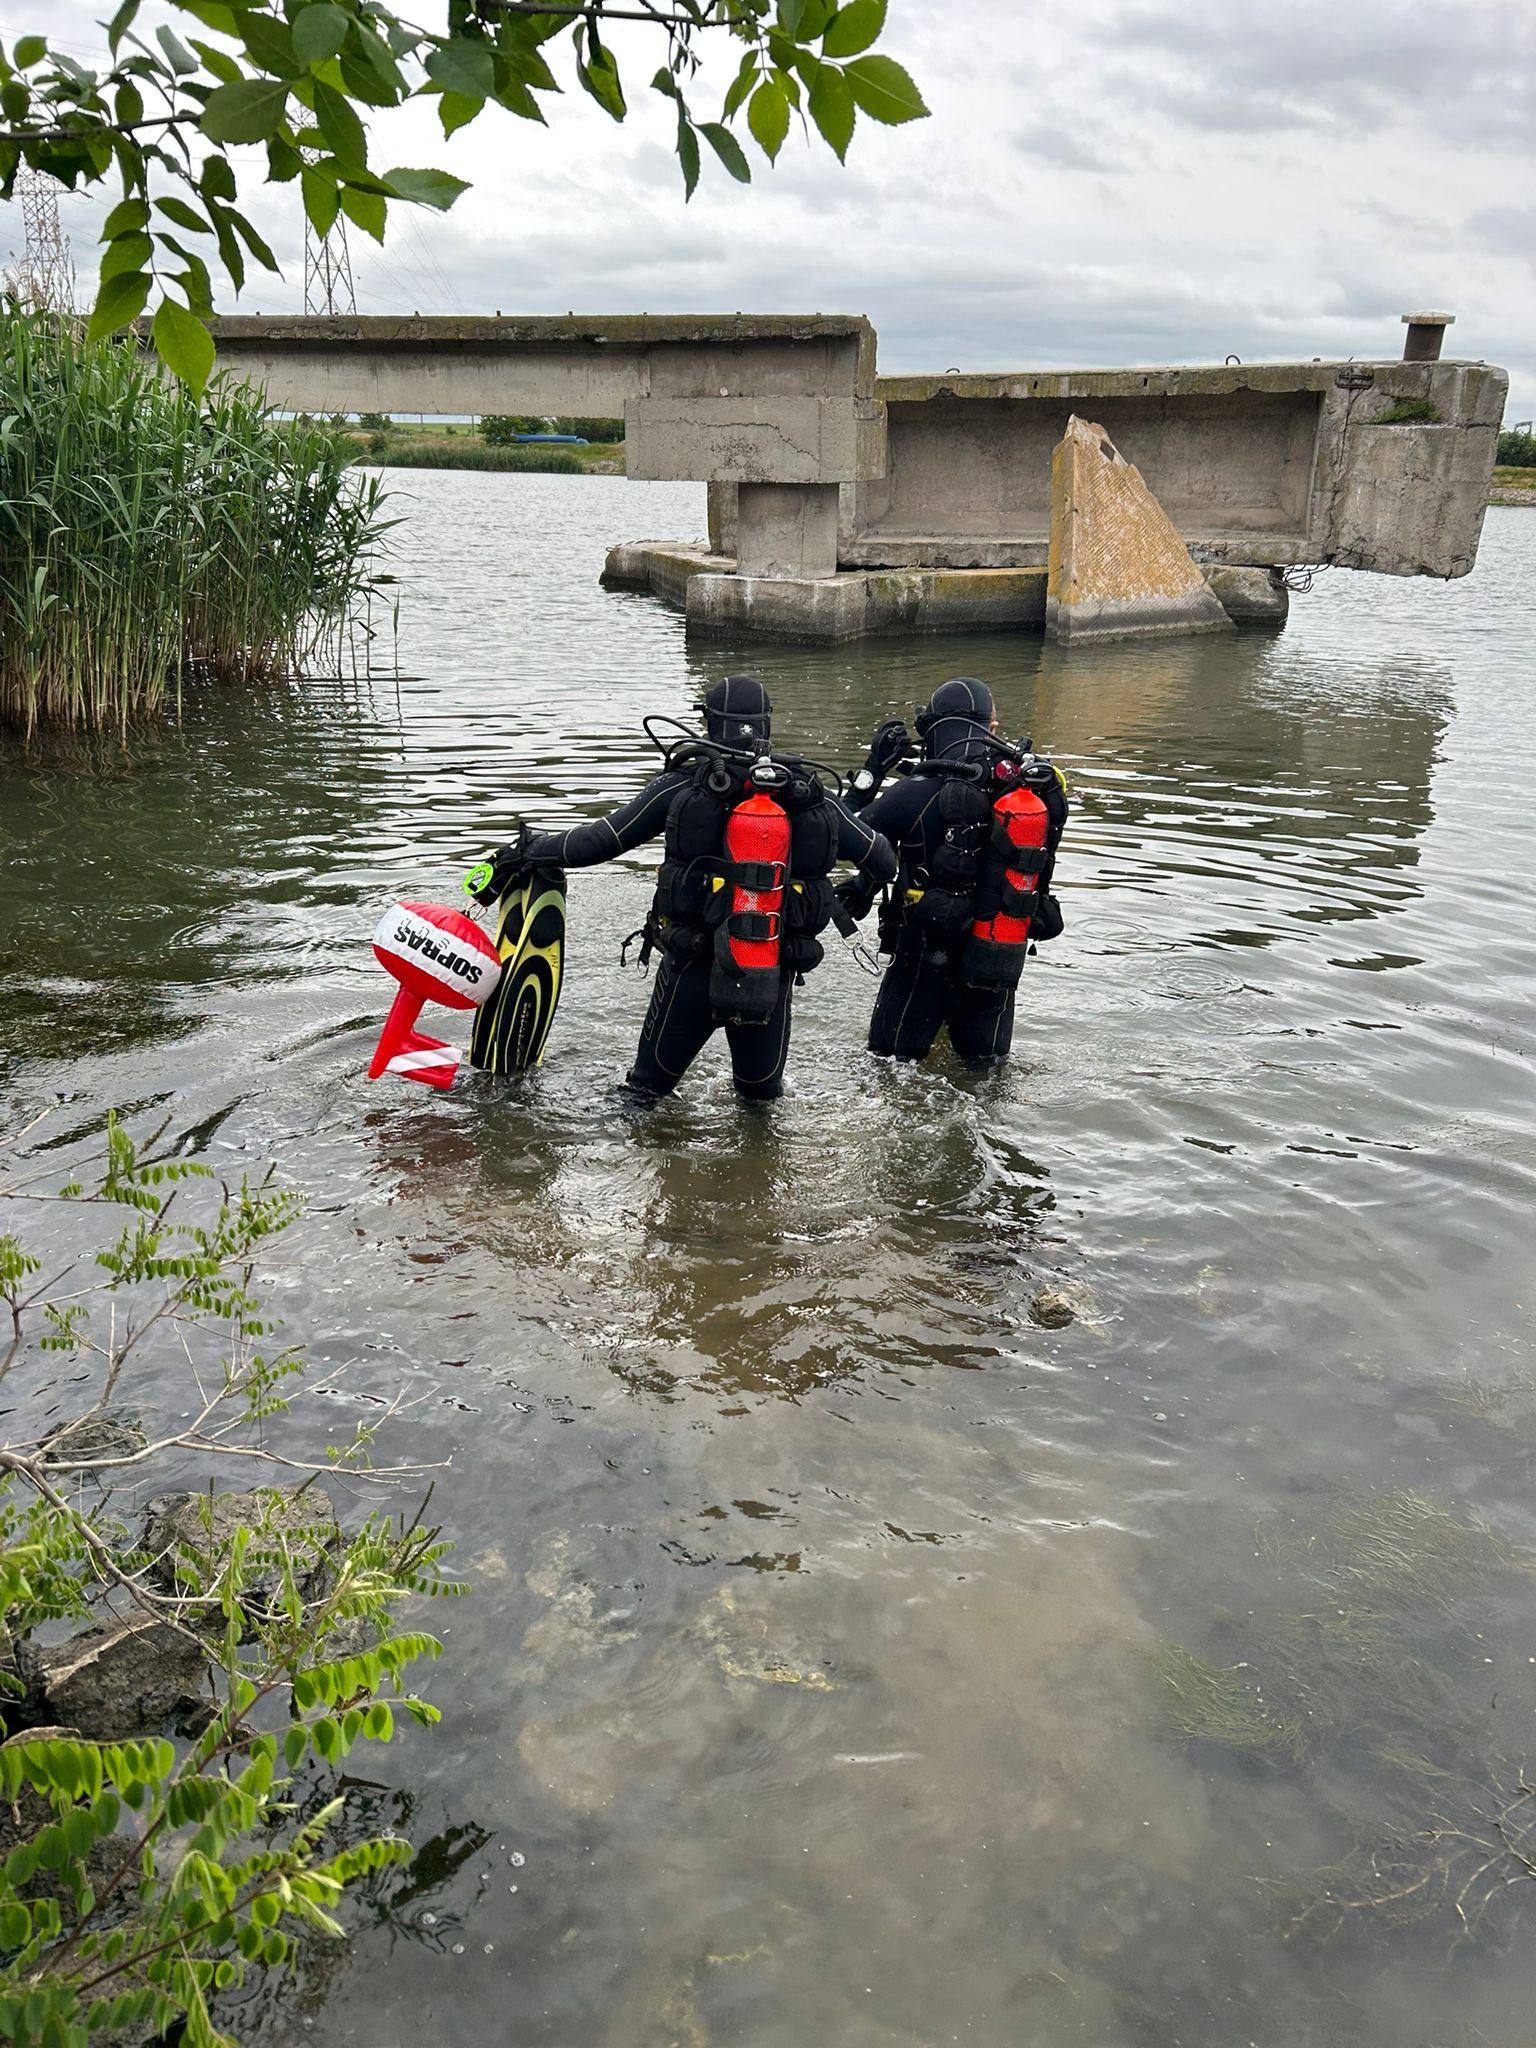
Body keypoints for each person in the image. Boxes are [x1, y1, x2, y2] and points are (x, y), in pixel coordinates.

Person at [476, 677, 896, 1101]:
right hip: (766, 974)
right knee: (759, 1104)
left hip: (690, 967)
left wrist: (527, 850)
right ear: (766, 726)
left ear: (709, 724)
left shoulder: (684, 786)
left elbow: (598, 842)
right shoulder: (805, 795)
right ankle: (760, 1167)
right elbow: (883, 860)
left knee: (644, 1093)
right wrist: (859, 890)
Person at [839, 678, 1068, 1065]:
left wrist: (873, 770)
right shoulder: (1027, 795)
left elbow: (837, 834)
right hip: (996, 949)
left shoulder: (914, 791)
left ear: (931, 730)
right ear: (991, 728)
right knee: (985, 1073)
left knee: (889, 1067)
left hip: (925, 951)